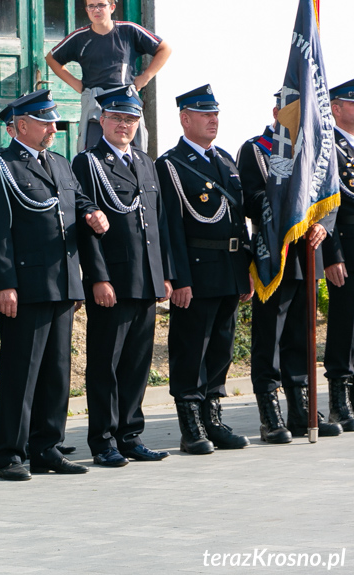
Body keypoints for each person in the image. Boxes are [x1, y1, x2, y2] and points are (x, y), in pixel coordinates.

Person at [0, 90, 108, 481]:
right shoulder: (0, 164)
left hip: (63, 282)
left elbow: (78, 200)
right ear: (21, 125)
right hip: (27, 284)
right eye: (46, 121)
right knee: (22, 372)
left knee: (56, 371)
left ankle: (47, 446)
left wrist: (91, 214)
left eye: (54, 121)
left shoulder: (59, 163)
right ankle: (10, 453)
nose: (54, 128)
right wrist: (4, 284)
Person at [72, 86, 173, 466]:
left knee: (136, 363)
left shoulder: (146, 163)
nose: (124, 126)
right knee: (105, 364)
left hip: (146, 279)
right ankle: (103, 441)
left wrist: (166, 274)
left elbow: (159, 223)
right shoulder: (88, 163)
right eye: (116, 118)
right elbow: (85, 227)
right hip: (112, 281)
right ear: (101, 121)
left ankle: (130, 435)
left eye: (131, 119)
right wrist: (98, 278)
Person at [237, 93, 343, 442]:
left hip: (307, 254)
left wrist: (322, 224)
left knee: (301, 335)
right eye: (294, 113)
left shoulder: (313, 151)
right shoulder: (256, 149)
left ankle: (302, 410)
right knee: (271, 337)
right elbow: (249, 200)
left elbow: (329, 194)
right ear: (276, 112)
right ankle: (270, 414)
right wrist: (287, 207)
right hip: (274, 256)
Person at [155, 85, 252, 454]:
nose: (213, 120)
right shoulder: (172, 164)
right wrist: (179, 278)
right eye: (204, 114)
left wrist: (243, 272)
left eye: (215, 114)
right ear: (185, 118)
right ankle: (190, 424)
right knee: (191, 347)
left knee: (221, 348)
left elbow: (238, 222)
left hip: (228, 268)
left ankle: (213, 415)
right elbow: (172, 227)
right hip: (196, 271)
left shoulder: (225, 160)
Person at [45, 0, 171, 152]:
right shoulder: (80, 37)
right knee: (94, 154)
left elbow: (164, 49)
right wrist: (76, 84)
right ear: (86, 10)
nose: (96, 10)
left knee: (131, 153)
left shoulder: (129, 30)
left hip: (125, 101)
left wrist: (145, 77)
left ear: (112, 8)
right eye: (91, 6)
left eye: (101, 5)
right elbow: (51, 58)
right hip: (96, 106)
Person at [317, 79, 354, 432]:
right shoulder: (328, 148)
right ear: (336, 108)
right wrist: (332, 254)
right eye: (352, 103)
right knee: (343, 324)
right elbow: (327, 208)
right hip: (344, 244)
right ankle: (339, 401)